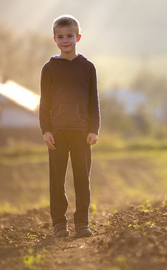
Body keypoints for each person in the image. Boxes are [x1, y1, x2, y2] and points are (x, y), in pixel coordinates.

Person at [39, 15, 100, 238]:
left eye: (70, 36)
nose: (66, 40)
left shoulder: (88, 68)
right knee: (57, 180)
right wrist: (46, 130)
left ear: (78, 37)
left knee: (82, 179)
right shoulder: (49, 68)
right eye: (61, 37)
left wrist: (94, 128)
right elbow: (44, 102)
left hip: (82, 133)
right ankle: (59, 224)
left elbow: (93, 100)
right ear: (54, 39)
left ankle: (82, 223)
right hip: (57, 133)